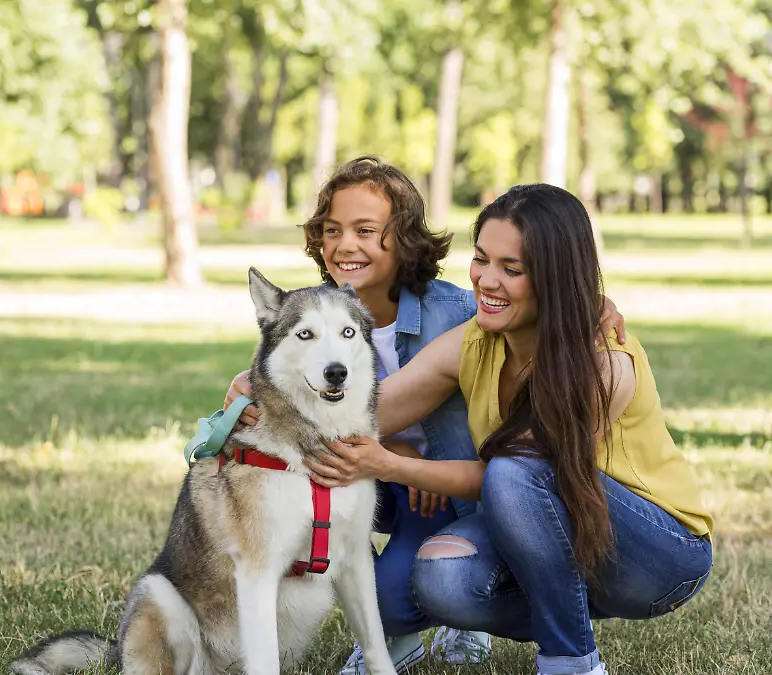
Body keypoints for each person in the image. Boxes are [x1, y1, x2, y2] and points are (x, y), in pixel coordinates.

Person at [286, 183, 712, 675]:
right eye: (481, 259)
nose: (486, 280)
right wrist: (257, 396)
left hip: (658, 553)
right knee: (439, 579)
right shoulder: (475, 341)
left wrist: (392, 465)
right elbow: (366, 412)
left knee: (515, 470)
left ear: (554, 276)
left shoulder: (604, 363)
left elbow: (520, 477)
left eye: (511, 269)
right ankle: (558, 612)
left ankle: (571, 662)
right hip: (560, 541)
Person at [224, 156, 627, 673]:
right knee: (307, 503)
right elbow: (294, 392)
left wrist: (597, 303)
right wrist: (246, 393)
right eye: (333, 230)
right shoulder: (319, 313)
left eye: (367, 231)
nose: (347, 244)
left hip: (448, 491)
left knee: (409, 591)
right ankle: (396, 635)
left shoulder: (459, 313)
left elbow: (535, 298)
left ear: (407, 238)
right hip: (381, 477)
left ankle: (465, 607)